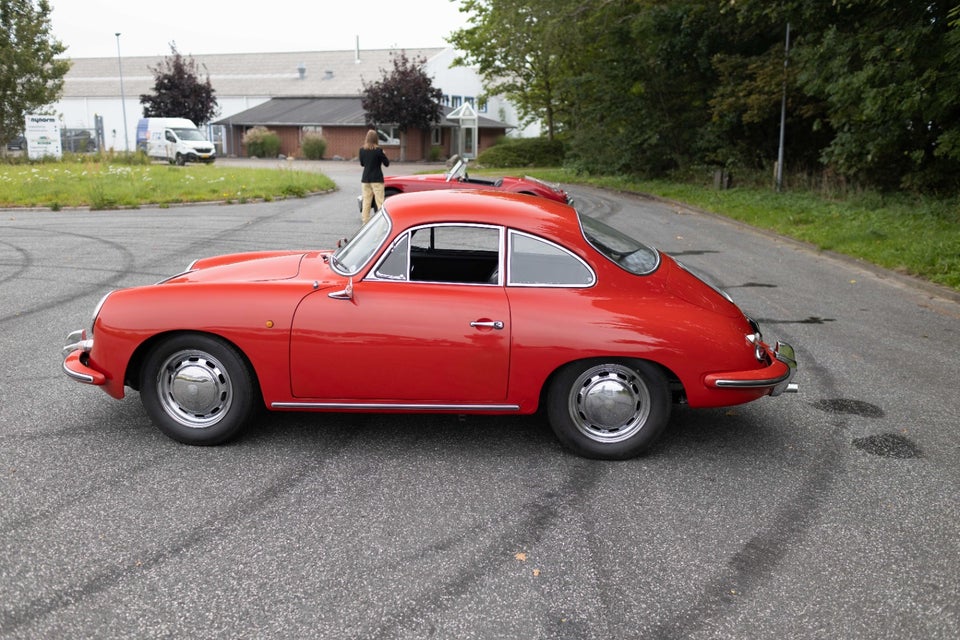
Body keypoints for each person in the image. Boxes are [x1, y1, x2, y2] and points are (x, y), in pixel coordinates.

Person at [359, 129, 390, 224]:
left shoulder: (362, 150)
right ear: (376, 139)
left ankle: (365, 222)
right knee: (380, 201)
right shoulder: (379, 150)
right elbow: (387, 164)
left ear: (367, 138)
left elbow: (362, 164)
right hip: (377, 179)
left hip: (365, 179)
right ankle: (381, 222)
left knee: (366, 202)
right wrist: (384, 154)